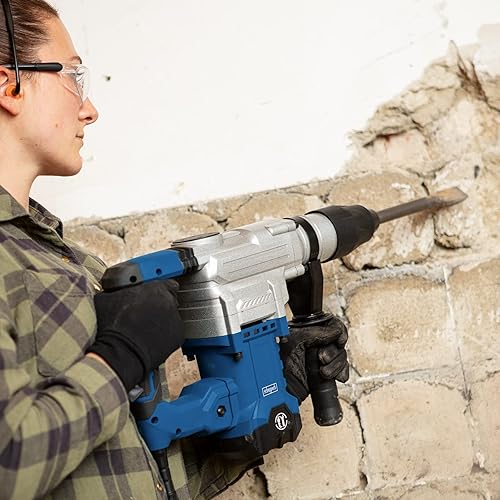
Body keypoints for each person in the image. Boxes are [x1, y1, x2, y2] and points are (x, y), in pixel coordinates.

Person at [0, 1, 350, 499]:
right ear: (9, 85)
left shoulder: (69, 261)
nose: (90, 109)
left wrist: (269, 397)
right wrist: (118, 359)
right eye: (73, 77)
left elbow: (131, 471)